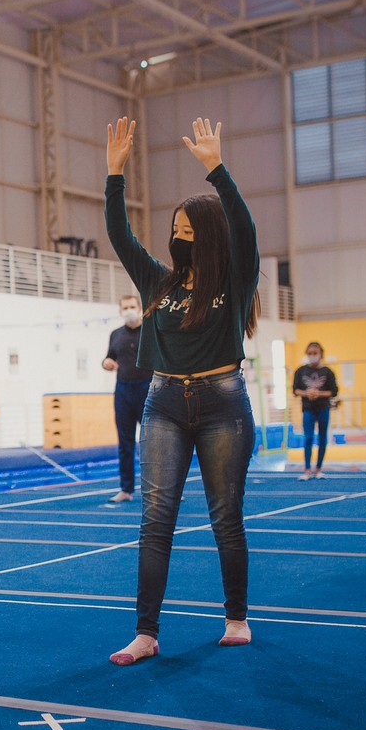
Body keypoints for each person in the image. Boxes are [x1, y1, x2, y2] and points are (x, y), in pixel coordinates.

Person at [102, 117, 261, 666]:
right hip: (164, 403)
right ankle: (146, 633)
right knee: (156, 518)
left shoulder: (235, 279)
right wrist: (115, 175)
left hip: (223, 403)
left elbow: (245, 231)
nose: (180, 238)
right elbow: (120, 236)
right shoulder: (158, 282)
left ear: (209, 235)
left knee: (225, 516)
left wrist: (217, 170)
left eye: (190, 231)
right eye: (176, 230)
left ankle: (236, 617)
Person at [102, 294, 151, 503]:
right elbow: (109, 358)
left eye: (132, 306)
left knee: (155, 442)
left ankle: (164, 488)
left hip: (148, 388)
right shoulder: (116, 334)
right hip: (123, 390)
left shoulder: (150, 332)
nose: (129, 310)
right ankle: (126, 489)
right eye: (125, 307)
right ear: (120, 311)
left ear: (139, 308)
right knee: (125, 442)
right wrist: (106, 363)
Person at [292, 342, 339, 480]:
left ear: (321, 354)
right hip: (308, 408)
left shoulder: (328, 372)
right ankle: (307, 469)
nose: (312, 356)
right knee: (308, 438)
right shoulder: (300, 371)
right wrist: (307, 393)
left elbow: (334, 391)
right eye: (310, 353)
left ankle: (318, 469)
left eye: (315, 353)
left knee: (322, 438)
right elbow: (295, 390)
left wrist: (319, 394)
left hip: (323, 408)